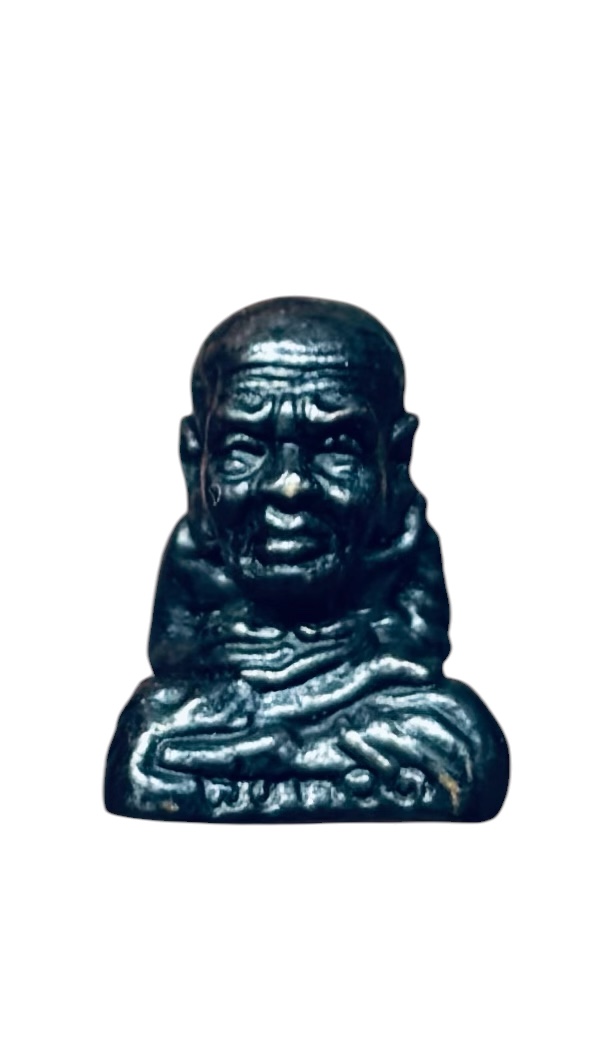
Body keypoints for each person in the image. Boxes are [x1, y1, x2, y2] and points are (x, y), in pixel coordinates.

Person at [105, 297, 509, 820]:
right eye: (244, 448)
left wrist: (348, 664)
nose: (290, 485)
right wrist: (234, 666)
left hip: (366, 694)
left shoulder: (406, 542)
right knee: (151, 737)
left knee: (460, 738)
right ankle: (301, 757)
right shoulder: (195, 554)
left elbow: (417, 650)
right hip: (231, 702)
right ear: (194, 460)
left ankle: (285, 757)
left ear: (396, 459)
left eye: (337, 446)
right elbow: (174, 653)